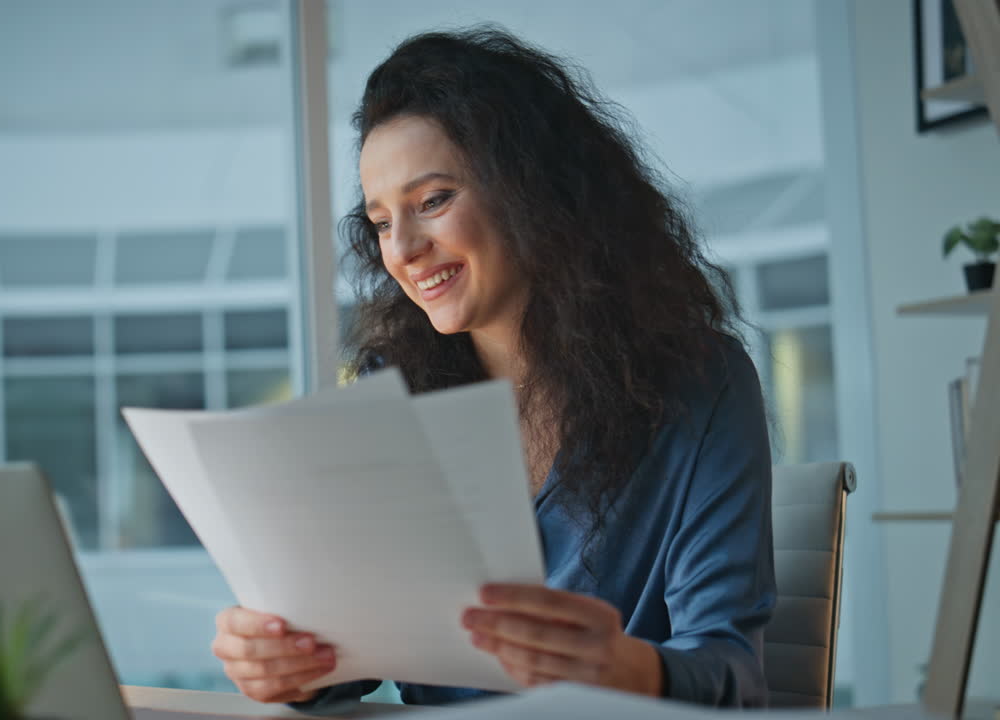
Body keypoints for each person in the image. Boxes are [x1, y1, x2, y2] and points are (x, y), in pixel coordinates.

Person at [210, 27, 775, 709]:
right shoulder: (393, 393)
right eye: (382, 222)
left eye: (434, 201)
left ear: (533, 192)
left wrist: (625, 669)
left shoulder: (699, 382)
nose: (405, 250)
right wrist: (290, 664)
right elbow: (356, 660)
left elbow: (736, 680)